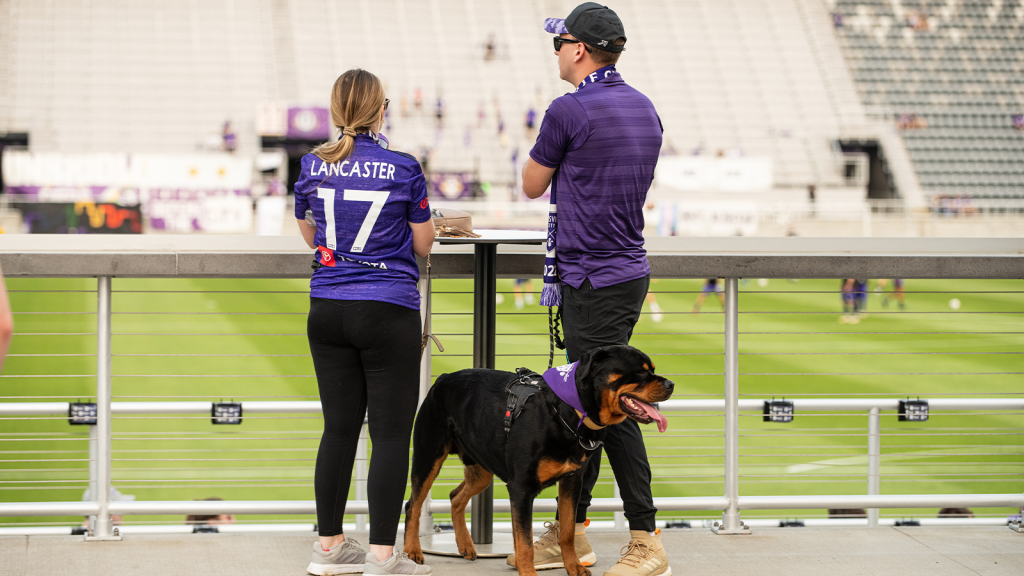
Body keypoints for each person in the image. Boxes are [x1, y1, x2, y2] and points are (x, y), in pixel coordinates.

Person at [518, 4, 669, 576]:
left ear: (578, 48)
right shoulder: (645, 106)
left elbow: (532, 184)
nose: (556, 53)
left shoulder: (568, 109)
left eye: (559, 44)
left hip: (589, 275)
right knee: (589, 410)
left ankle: (645, 540)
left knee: (616, 409)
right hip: (626, 270)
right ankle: (572, 533)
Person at [294, 69, 434, 576]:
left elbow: (311, 236)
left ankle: (328, 548)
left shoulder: (312, 162)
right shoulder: (403, 166)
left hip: (327, 306)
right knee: (392, 435)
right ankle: (381, 556)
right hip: (386, 306)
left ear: (336, 111)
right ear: (380, 110)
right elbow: (423, 244)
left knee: (338, 430)